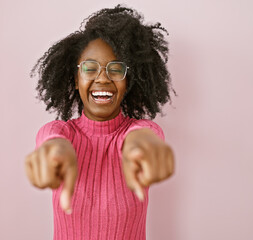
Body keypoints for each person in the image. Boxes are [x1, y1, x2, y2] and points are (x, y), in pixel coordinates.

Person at [25, 5, 175, 240]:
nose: (102, 78)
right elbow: (52, 142)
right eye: (90, 68)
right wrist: (55, 151)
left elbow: (143, 138)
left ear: (128, 82)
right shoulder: (59, 131)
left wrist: (142, 148)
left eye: (115, 69)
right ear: (76, 79)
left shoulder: (143, 130)